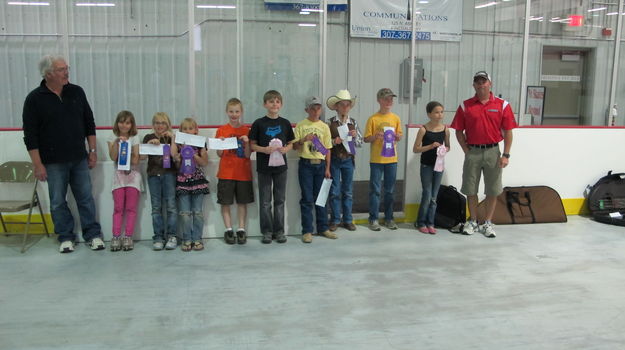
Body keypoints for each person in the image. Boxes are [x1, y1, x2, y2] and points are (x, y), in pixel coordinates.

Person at [22, 55, 104, 253]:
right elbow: (30, 135)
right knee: (58, 201)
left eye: (67, 68)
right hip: (52, 162)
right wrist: (38, 164)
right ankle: (66, 237)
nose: (66, 72)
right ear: (48, 74)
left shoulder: (77, 92)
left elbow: (89, 123)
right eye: (61, 69)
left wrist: (92, 151)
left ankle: (92, 235)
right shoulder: (34, 99)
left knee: (85, 197)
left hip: (79, 158)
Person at [450, 71, 516, 238]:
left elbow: (508, 132)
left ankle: (487, 223)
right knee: (470, 188)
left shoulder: (503, 105)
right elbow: (458, 131)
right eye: (477, 82)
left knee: (492, 189)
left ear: (490, 84)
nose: (481, 85)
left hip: (493, 152)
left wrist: (506, 155)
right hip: (473, 151)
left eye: (484, 81)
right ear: (474, 85)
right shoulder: (465, 106)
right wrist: (467, 150)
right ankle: (473, 221)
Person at [249, 90, 295, 244]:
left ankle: (280, 231)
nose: (274, 104)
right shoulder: (258, 123)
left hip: (281, 168)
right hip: (264, 168)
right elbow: (252, 145)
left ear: (281, 104)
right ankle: (267, 232)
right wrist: (264, 150)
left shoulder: (285, 123)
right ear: (265, 104)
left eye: (277, 101)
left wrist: (285, 150)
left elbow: (291, 143)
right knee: (265, 201)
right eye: (271, 101)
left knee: (280, 200)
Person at [293, 96, 335, 243]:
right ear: (307, 110)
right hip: (306, 164)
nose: (316, 110)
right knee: (307, 198)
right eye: (312, 108)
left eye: (318, 107)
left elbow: (328, 149)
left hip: (321, 165)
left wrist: (328, 168)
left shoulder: (324, 127)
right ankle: (307, 231)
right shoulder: (301, 125)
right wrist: (304, 140)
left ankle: (323, 228)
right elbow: (294, 146)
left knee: (321, 198)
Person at [364, 88, 403, 231]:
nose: (389, 101)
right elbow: (366, 138)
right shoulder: (373, 119)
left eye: (391, 99)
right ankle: (373, 218)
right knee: (375, 190)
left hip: (392, 159)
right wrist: (375, 136)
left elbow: (399, 134)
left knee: (390, 190)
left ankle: (389, 218)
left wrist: (398, 137)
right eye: (386, 99)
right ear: (379, 100)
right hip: (376, 160)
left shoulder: (396, 118)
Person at [216, 98, 254, 245]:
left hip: (243, 173)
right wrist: (221, 143)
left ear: (241, 112)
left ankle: (241, 229)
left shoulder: (246, 131)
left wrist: (246, 143)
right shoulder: (221, 130)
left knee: (242, 203)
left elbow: (247, 154)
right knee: (225, 203)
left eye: (237, 111)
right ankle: (228, 229)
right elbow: (219, 154)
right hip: (225, 172)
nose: (234, 114)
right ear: (227, 112)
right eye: (231, 111)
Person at [326, 89, 363, 232]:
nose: (345, 107)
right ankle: (335, 219)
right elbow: (324, 144)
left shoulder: (353, 122)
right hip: (334, 159)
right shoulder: (329, 123)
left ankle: (347, 219)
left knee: (348, 191)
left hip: (348, 159)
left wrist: (354, 137)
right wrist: (334, 141)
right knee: (334, 191)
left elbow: (359, 143)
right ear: (336, 106)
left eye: (347, 105)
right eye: (342, 105)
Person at [171, 117, 210, 251]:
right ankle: (187, 239)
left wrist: (193, 155)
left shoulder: (201, 144)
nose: (188, 131)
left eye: (190, 128)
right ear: (181, 131)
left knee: (197, 212)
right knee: (185, 213)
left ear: (196, 130)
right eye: (185, 129)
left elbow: (205, 162)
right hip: (182, 181)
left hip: (198, 180)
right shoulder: (179, 145)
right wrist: (176, 145)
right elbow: (174, 158)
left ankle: (197, 238)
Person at [412, 101, 450, 234]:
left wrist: (444, 149)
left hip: (439, 166)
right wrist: (430, 146)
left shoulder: (446, 130)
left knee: (434, 196)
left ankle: (431, 222)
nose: (440, 115)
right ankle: (421, 221)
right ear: (429, 114)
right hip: (426, 165)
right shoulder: (423, 129)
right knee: (427, 194)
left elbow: (448, 146)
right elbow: (416, 149)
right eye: (436, 112)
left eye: (441, 112)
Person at [142, 112, 178, 251]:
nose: (160, 126)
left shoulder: (171, 137)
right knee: (156, 207)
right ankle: (158, 237)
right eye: (157, 123)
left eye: (163, 123)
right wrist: (150, 145)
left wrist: (172, 139)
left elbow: (174, 155)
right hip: (153, 175)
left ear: (167, 124)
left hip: (169, 174)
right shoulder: (148, 137)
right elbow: (142, 157)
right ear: (153, 125)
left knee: (171, 206)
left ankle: (172, 236)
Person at [107, 110, 142, 251]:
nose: (124, 125)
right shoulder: (112, 136)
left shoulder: (135, 137)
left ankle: (128, 236)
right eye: (121, 122)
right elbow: (113, 157)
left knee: (131, 208)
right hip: (119, 177)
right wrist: (117, 144)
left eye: (127, 122)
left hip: (133, 177)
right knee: (118, 208)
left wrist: (128, 149)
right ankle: (116, 236)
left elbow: (135, 159)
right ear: (117, 123)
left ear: (131, 124)